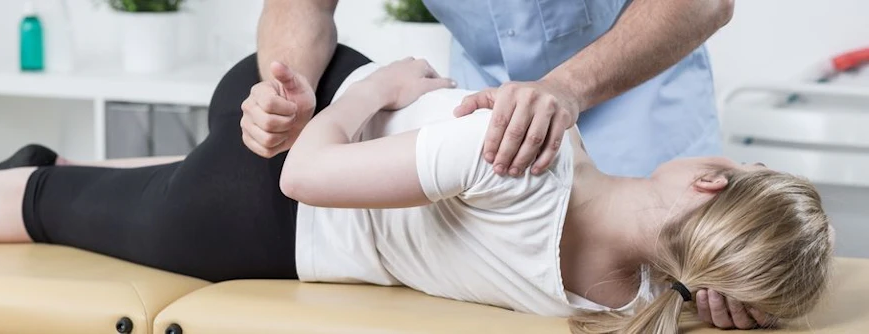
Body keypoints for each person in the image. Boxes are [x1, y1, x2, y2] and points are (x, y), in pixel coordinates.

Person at [0, 46, 830, 334]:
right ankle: (77, 173)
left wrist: (380, 88)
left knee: (34, 210)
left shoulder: (522, 154)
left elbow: (307, 174)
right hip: (279, 139)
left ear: (713, 176)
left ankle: (47, 174)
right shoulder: (632, 305)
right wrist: (712, 300)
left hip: (264, 197)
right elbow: (692, 285)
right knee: (132, 193)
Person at [251, 2, 741, 326]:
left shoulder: (686, 194)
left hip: (642, 107)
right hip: (483, 144)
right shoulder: (476, 152)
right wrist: (287, 95)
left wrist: (750, 261)